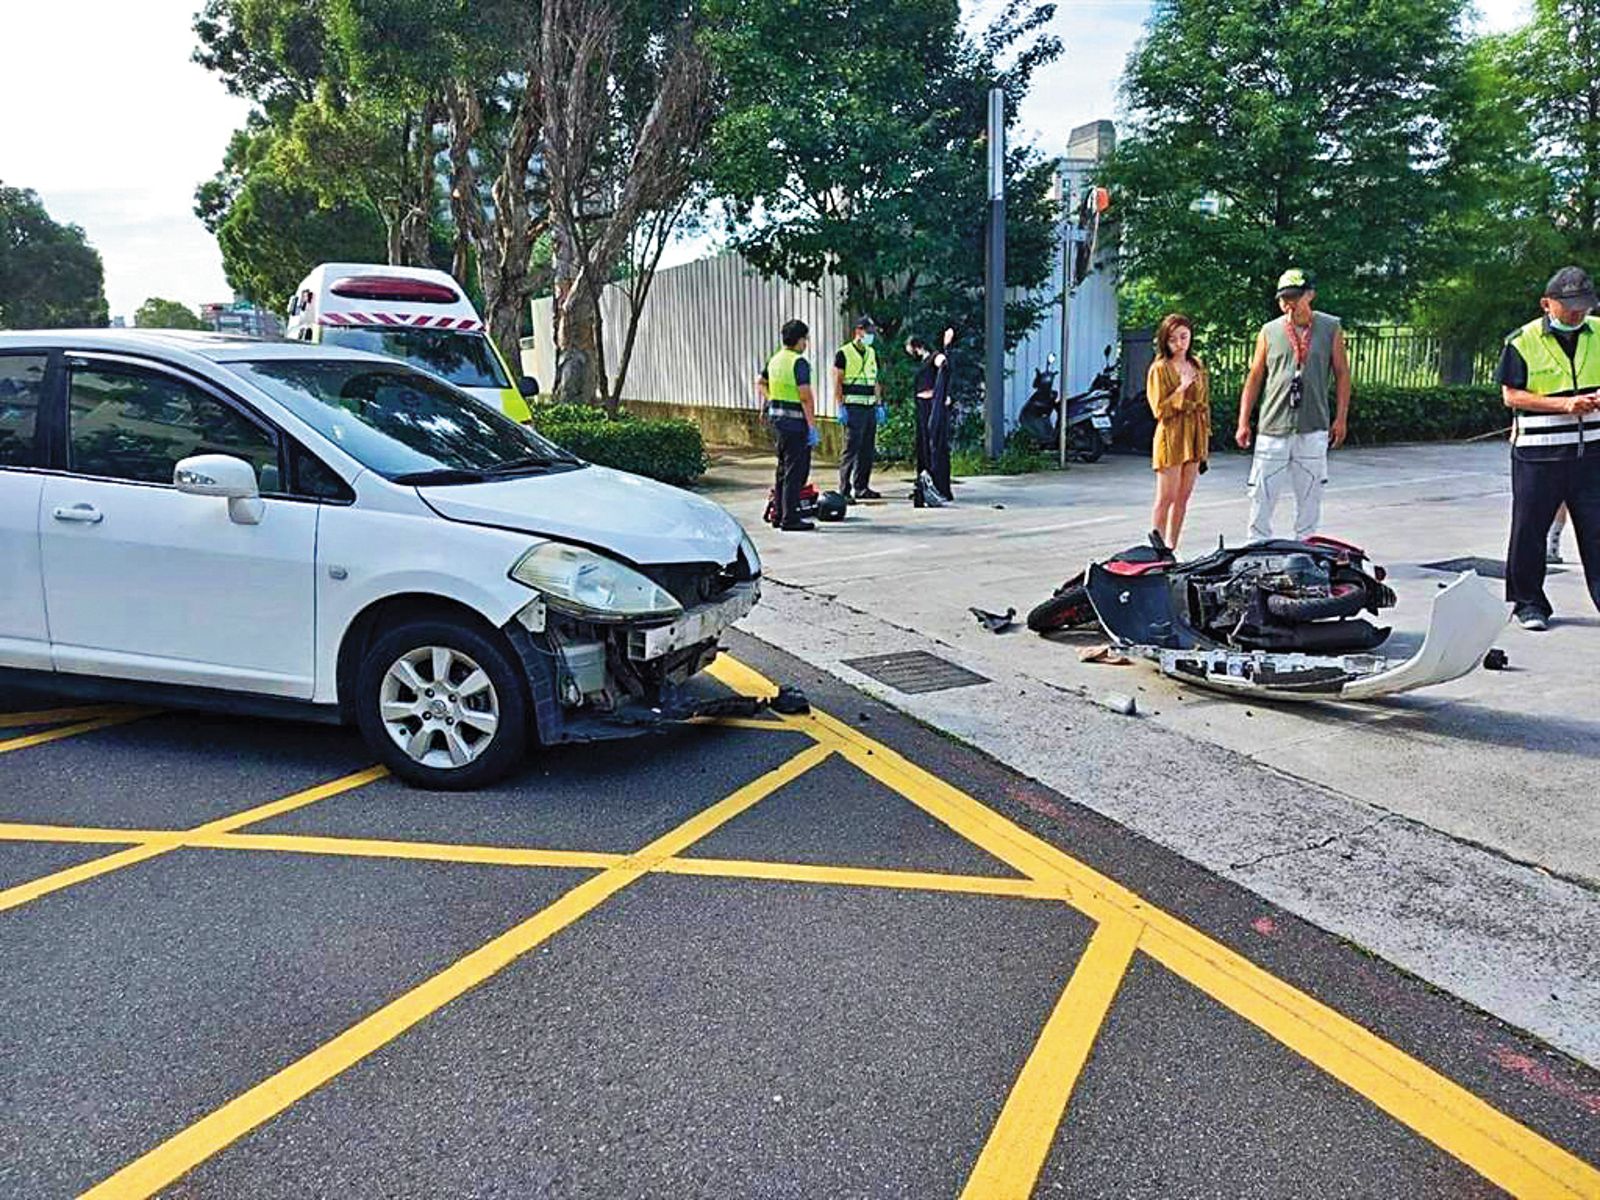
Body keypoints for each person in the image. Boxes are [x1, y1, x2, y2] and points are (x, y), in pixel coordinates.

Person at [1495, 266, 1600, 630]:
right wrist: (1564, 406)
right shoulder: (1521, 341)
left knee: (1596, 529)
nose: (1577, 313)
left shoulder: (1599, 333)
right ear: (1546, 304)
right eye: (1569, 306)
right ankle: (1528, 603)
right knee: (1529, 529)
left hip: (1591, 454)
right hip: (1538, 454)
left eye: (1584, 306)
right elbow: (1511, 395)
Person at [1236, 268, 1351, 541]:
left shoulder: (1329, 327)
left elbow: (1342, 373)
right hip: (1273, 426)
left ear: (1309, 295)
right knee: (1262, 493)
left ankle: (1306, 544)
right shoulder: (1269, 330)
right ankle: (1258, 545)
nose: (1289, 304)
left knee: (1310, 493)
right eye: (1284, 298)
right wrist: (1243, 421)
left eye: (1295, 297)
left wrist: (1341, 417)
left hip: (1313, 425)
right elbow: (1255, 377)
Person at [1146, 313, 1211, 550]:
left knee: (1183, 497)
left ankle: (1173, 546)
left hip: (1194, 435)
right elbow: (1159, 409)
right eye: (1173, 339)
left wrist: (1204, 443)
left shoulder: (1197, 365)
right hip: (1171, 435)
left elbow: (1205, 404)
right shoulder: (1159, 369)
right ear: (1165, 340)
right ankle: (1157, 547)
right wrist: (1182, 388)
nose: (1179, 343)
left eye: (1184, 337)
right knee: (1166, 497)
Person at [757, 319, 821, 532]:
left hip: (778, 423)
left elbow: (761, 383)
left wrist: (772, 399)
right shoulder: (798, 362)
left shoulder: (774, 360)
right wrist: (811, 426)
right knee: (796, 471)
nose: (806, 344)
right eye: (805, 339)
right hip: (796, 424)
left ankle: (779, 513)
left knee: (783, 469)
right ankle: (790, 518)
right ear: (799, 340)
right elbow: (805, 397)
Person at [834, 316, 884, 501]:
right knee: (850, 450)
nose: (870, 335)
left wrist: (879, 404)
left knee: (867, 450)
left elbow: (875, 380)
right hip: (853, 408)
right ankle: (844, 490)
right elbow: (838, 382)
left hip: (870, 408)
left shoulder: (871, 353)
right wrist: (841, 407)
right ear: (858, 331)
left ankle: (862, 487)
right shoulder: (844, 353)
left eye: (872, 332)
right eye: (868, 331)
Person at [917, 325, 957, 505]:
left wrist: (946, 347)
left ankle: (939, 485)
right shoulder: (922, 361)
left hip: (932, 406)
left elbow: (943, 363)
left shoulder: (933, 357)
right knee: (924, 446)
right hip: (922, 407)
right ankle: (925, 484)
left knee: (935, 445)